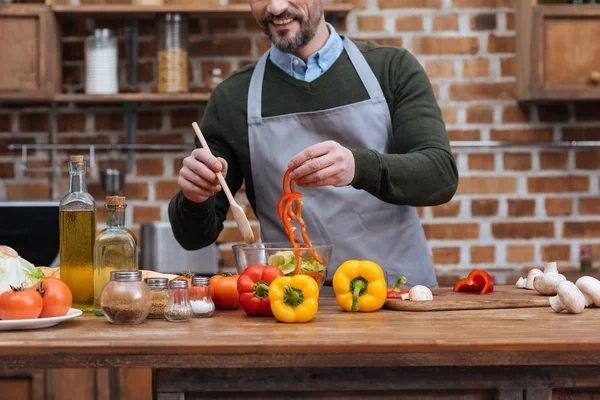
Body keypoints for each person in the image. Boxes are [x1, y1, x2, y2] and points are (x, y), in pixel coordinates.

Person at [168, 0, 459, 288]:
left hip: (398, 293)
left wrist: (358, 167)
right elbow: (194, 238)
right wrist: (194, 196)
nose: (277, 7)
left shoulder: (391, 68)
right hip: (292, 300)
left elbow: (439, 176)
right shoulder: (232, 99)